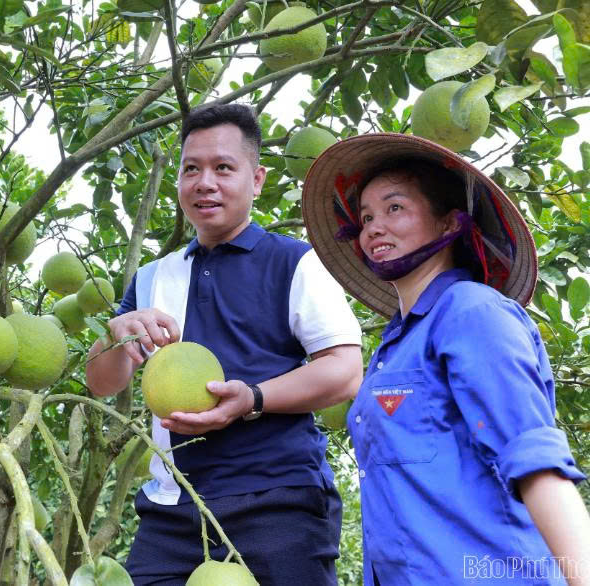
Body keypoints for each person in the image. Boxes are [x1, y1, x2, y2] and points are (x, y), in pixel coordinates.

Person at [85, 104, 363, 585]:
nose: (204, 182)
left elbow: (343, 370)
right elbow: (102, 384)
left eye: (223, 168)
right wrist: (117, 332)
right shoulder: (153, 277)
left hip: (279, 500)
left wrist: (252, 399)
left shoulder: (296, 262)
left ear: (255, 180)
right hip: (174, 505)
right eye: (191, 169)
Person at [302, 132, 590, 585]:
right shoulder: (394, 348)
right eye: (366, 217)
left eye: (395, 208)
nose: (373, 227)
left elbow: (533, 455)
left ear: (449, 224)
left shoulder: (471, 311)